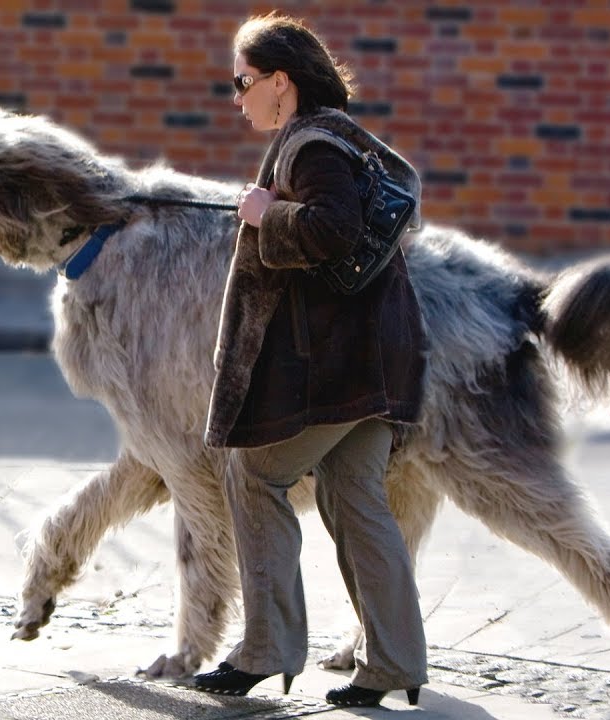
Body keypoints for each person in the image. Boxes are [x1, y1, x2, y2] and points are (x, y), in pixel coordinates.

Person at [193, 12, 429, 709]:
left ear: (281, 81)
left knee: (254, 474)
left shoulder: (312, 147)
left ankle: (267, 649)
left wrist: (268, 215)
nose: (236, 98)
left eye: (241, 81)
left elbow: (334, 230)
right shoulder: (345, 140)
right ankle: (393, 663)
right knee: (357, 501)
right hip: (376, 357)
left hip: (333, 363)